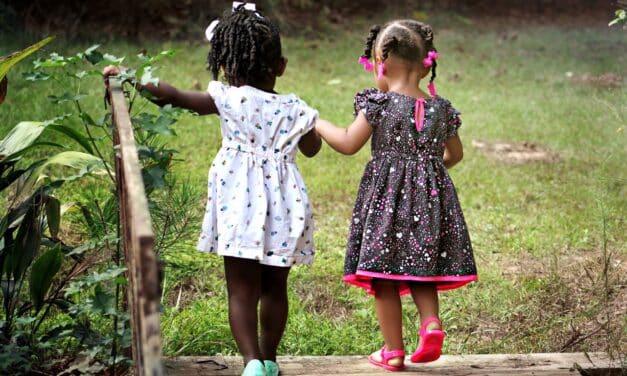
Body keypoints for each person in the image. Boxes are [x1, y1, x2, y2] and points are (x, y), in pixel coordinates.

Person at [104, 3, 321, 376]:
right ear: (281, 66)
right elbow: (313, 148)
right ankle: (270, 360)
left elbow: (172, 95)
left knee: (240, 290)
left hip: (239, 204)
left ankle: (251, 362)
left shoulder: (226, 98)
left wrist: (131, 76)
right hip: (286, 208)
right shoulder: (294, 107)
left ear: (224, 64)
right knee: (275, 288)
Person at [315, 20, 477, 371]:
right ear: (426, 64)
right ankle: (431, 323)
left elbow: (347, 143)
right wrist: (429, 175)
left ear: (381, 63)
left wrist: (316, 123)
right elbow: (455, 155)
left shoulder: (379, 104)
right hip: (430, 203)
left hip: (386, 207)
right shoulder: (443, 110)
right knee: (422, 267)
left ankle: (393, 351)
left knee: (383, 276)